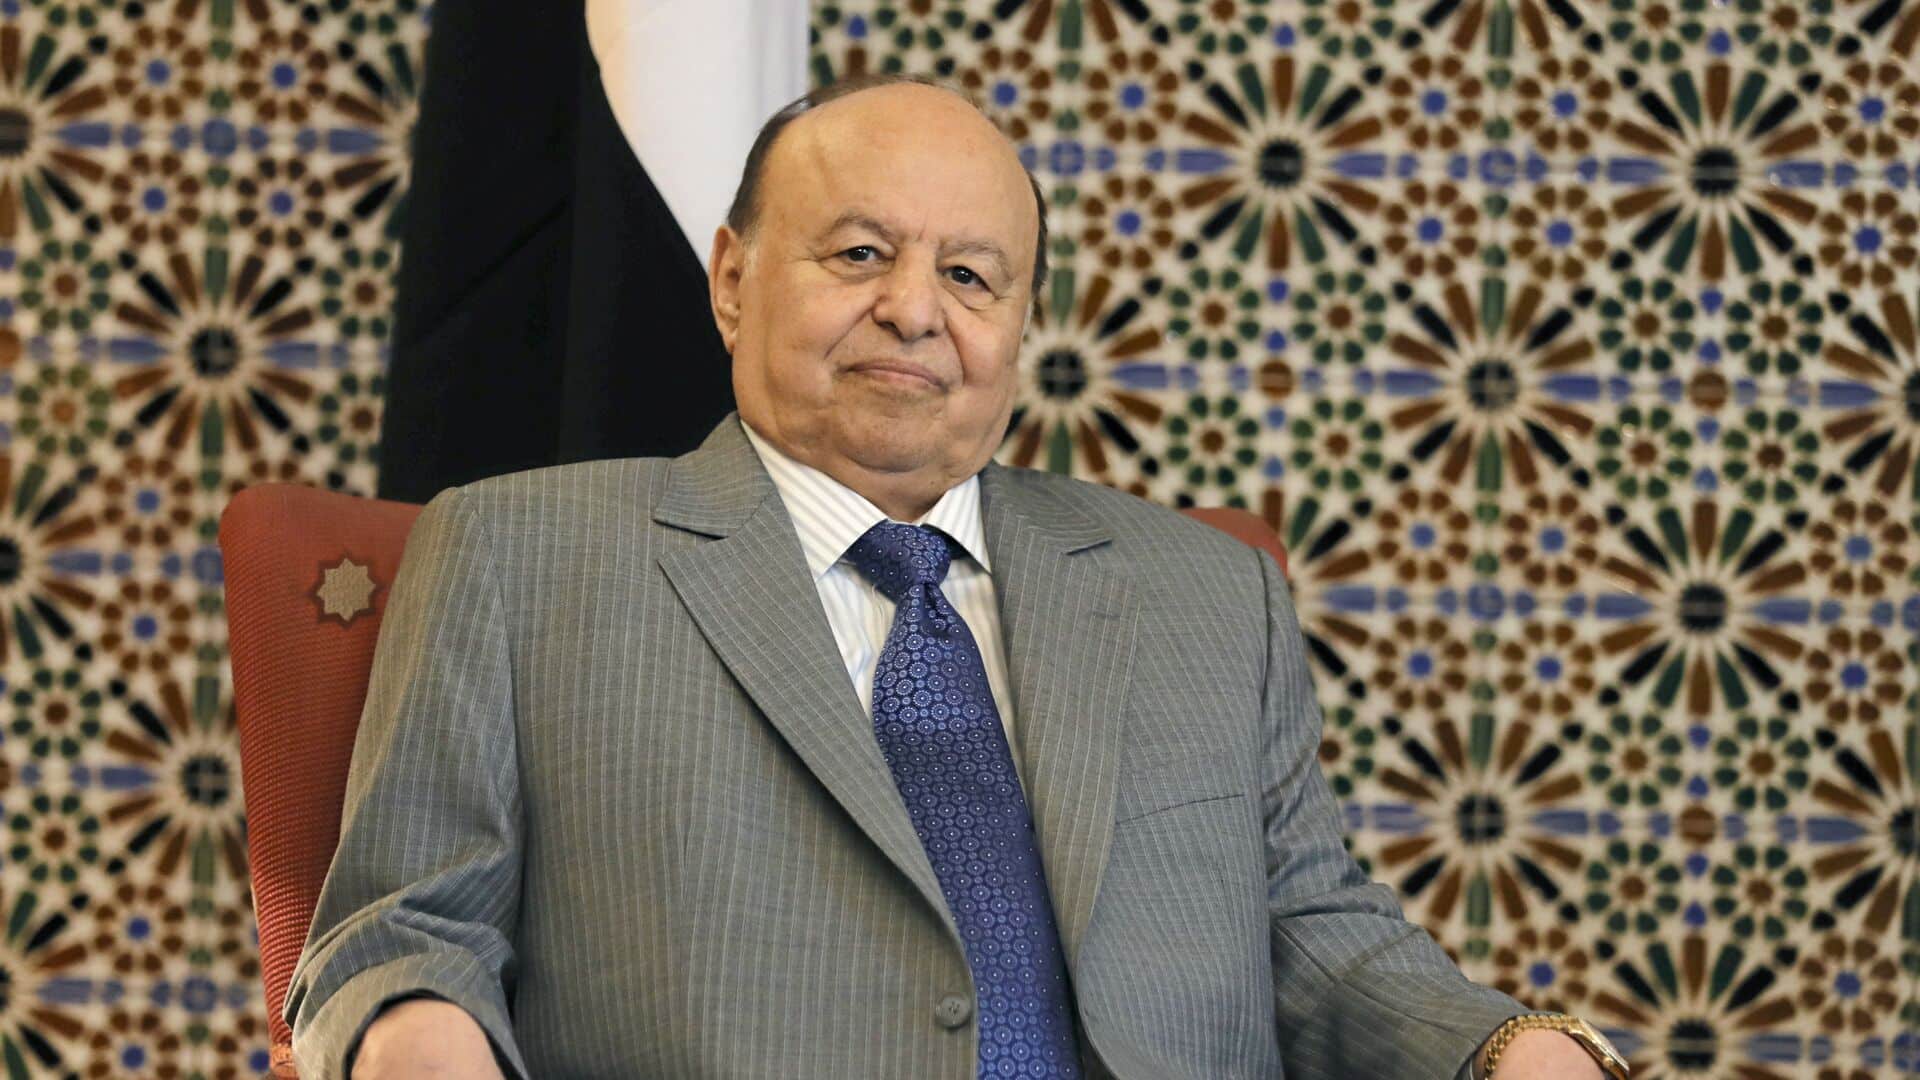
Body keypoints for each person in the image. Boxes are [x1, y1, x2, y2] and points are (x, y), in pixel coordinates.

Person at [286, 76, 1625, 1080]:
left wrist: (1515, 1051)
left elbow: (1315, 934)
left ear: (1020, 327)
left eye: (972, 276)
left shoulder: (1207, 593)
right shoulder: (520, 557)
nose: (917, 310)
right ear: (733, 280)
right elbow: (403, 927)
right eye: (860, 254)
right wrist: (414, 1036)